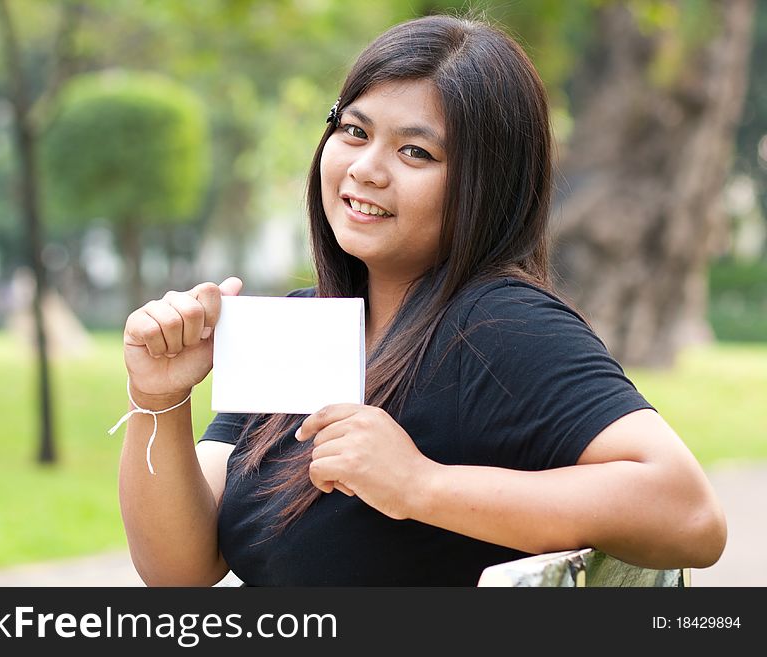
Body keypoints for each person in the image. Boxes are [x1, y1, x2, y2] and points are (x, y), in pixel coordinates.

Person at [115, 14, 726, 586]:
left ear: (485, 185)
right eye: (353, 131)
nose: (366, 169)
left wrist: (419, 485)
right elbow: (182, 568)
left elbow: (689, 515)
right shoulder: (302, 326)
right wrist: (160, 401)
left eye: (416, 152)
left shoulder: (499, 326)